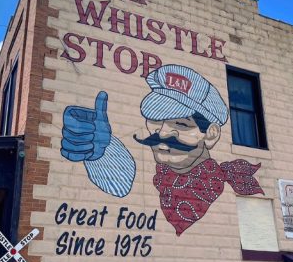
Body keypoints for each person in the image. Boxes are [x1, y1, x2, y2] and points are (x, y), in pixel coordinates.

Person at [61, 64, 263, 236]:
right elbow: (123, 183)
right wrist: (100, 154)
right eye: (156, 121)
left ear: (210, 134)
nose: (163, 133)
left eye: (181, 124)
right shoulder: (160, 181)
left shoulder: (221, 194)